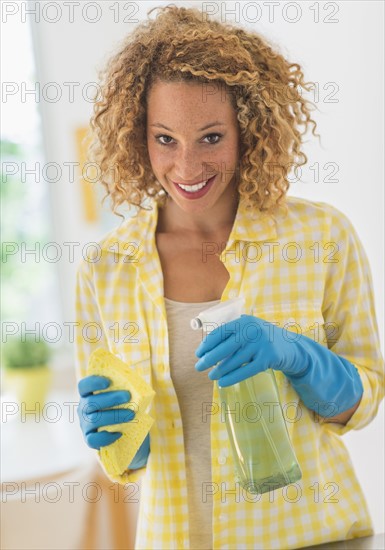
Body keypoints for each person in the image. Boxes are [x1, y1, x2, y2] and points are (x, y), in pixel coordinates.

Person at [75, 5, 384, 549]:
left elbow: (364, 403)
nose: (187, 167)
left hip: (314, 536)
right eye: (165, 138)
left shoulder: (320, 236)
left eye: (211, 137)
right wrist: (118, 439)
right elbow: (125, 462)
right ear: (137, 136)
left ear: (249, 131)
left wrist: (300, 356)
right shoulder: (107, 268)